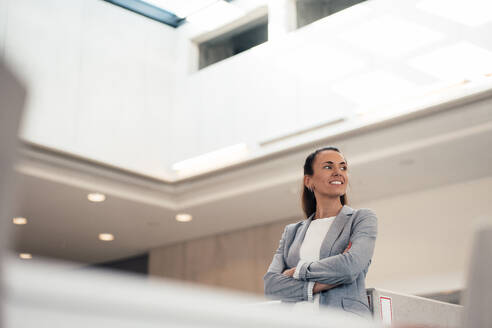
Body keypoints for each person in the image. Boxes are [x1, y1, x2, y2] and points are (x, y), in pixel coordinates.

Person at [263, 146, 378, 318]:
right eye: (328, 166)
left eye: (343, 167)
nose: (338, 172)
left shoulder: (361, 219)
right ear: (309, 181)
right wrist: (317, 286)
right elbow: (271, 285)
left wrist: (298, 271)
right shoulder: (291, 232)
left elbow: (349, 266)